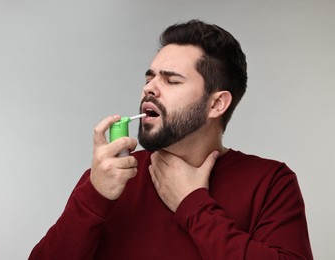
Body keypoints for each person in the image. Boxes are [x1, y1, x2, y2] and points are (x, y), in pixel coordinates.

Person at [29, 20, 313, 259]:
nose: (149, 89)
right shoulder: (109, 179)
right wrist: (94, 196)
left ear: (217, 105)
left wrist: (193, 204)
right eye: (149, 78)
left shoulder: (271, 182)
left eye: (171, 80)